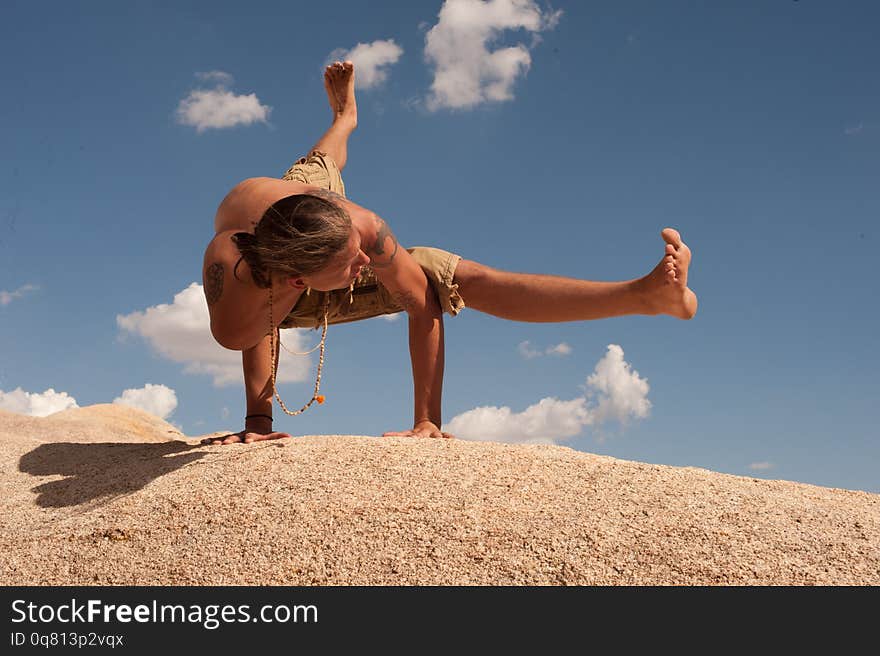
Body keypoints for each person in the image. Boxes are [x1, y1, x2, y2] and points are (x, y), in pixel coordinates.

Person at [201, 61, 698, 446]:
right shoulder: (236, 267)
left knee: (339, 176)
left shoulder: (365, 231)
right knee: (318, 179)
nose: (364, 269)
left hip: (307, 212)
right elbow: (248, 329)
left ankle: (645, 294)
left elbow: (422, 300)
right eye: (352, 268)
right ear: (296, 282)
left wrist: (426, 421)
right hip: (277, 244)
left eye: (361, 257)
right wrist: (257, 422)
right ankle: (342, 121)